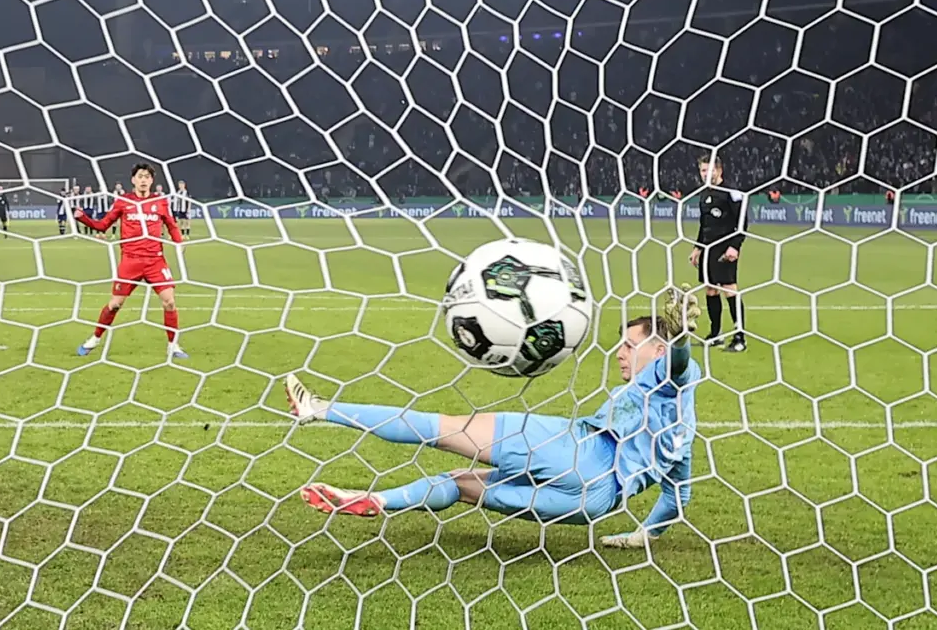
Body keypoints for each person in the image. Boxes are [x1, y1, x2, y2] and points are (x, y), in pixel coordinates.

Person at [288, 287, 702, 548]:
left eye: (630, 344)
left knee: (442, 428)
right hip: (594, 503)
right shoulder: (684, 430)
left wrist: (681, 337)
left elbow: (680, 365)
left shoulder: (667, 374)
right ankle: (379, 500)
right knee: (460, 484)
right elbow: (676, 498)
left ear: (659, 351)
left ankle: (320, 408)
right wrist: (640, 537)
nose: (620, 352)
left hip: (577, 451)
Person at [73, 163, 188, 360]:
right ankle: (94, 339)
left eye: (147, 177)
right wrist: (83, 218)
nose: (143, 180)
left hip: (155, 261)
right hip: (130, 261)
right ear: (133, 180)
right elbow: (103, 225)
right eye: (140, 176)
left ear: (152, 180)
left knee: (169, 301)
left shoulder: (160, 202)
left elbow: (171, 224)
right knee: (115, 304)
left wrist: (178, 242)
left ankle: (173, 345)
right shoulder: (123, 202)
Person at [688, 155, 749, 352]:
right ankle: (716, 335)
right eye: (703, 170)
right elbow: (704, 225)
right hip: (708, 249)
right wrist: (697, 248)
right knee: (710, 290)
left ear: (719, 171)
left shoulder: (731, 192)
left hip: (725, 248)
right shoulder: (704, 194)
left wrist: (735, 247)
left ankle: (739, 338)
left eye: (710, 170)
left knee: (729, 289)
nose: (706, 174)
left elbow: (742, 222)